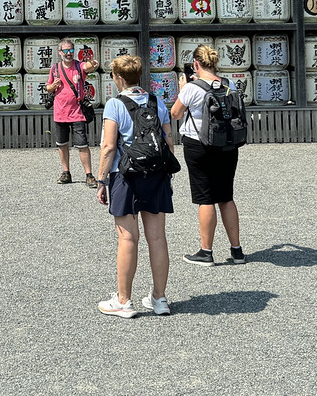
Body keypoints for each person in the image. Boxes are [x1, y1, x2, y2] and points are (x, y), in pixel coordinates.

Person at [95, 54, 175, 317]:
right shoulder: (156, 101)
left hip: (125, 174)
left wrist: (101, 180)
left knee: (128, 237)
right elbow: (168, 140)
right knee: (157, 237)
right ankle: (160, 298)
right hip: (156, 174)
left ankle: (123, 300)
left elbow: (108, 147)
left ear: (118, 78)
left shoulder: (115, 105)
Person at [170, 45, 245, 266]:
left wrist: (183, 87)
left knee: (205, 198)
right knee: (226, 196)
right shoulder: (229, 84)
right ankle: (237, 251)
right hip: (227, 145)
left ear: (196, 64)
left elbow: (175, 114)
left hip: (199, 146)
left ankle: (206, 251)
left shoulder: (192, 88)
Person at [45, 38, 99, 187]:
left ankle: (89, 175)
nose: (68, 53)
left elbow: (87, 67)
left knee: (82, 144)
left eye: (71, 50)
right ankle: (66, 172)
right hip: (60, 112)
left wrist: (93, 64)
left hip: (77, 112)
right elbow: (48, 87)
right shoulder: (55, 68)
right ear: (60, 52)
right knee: (62, 144)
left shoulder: (78, 66)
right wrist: (52, 86)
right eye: (66, 51)